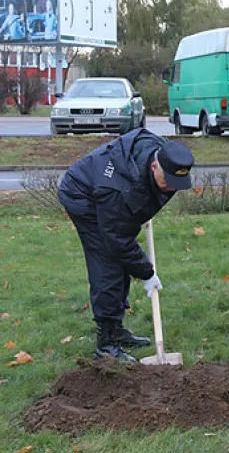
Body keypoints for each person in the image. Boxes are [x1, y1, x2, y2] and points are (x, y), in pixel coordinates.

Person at [58, 129, 195, 362]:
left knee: (120, 260)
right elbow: (118, 240)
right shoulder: (118, 191)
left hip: (116, 198)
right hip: (83, 196)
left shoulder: (161, 152)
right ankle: (106, 344)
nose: (172, 188)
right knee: (108, 264)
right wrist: (146, 272)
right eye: (168, 182)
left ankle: (116, 330)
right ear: (153, 167)